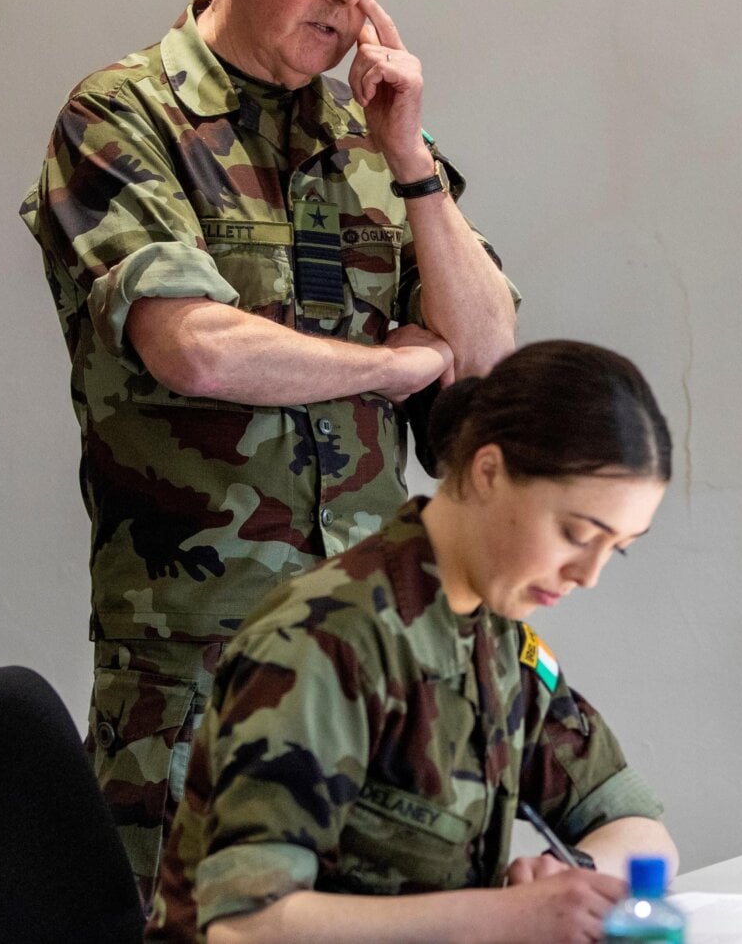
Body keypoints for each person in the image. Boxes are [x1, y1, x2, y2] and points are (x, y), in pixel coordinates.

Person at [18, 0, 517, 899]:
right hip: (198, 672)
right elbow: (193, 345)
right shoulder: (123, 115)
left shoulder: (368, 140)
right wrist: (389, 364)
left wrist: (413, 158)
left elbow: (488, 361)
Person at [148, 340, 675, 943]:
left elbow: (638, 828)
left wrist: (570, 883)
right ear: (488, 472)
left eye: (619, 548)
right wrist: (502, 918)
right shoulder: (324, 643)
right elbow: (246, 927)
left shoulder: (496, 636)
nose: (589, 575)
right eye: (577, 533)